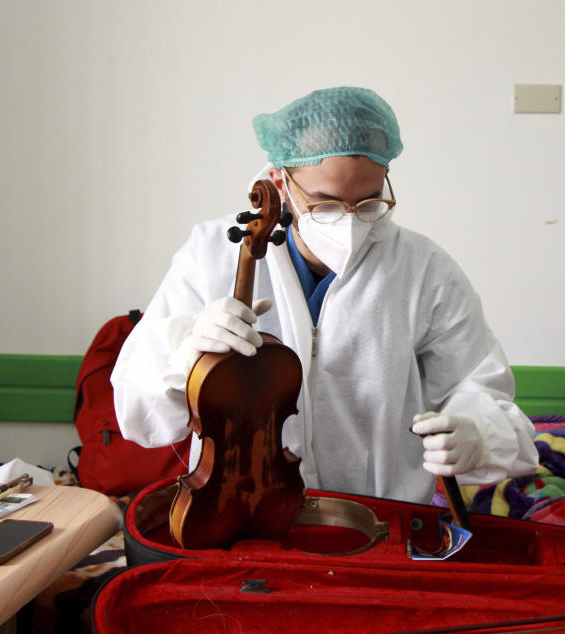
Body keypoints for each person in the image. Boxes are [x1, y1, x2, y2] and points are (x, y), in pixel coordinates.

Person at [111, 86, 538, 504]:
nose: (349, 221)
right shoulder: (213, 255)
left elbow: (477, 382)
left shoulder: (424, 269)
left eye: (369, 202)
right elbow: (138, 413)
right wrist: (187, 356)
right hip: (240, 513)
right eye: (324, 203)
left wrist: (478, 432)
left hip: (380, 515)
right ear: (279, 181)